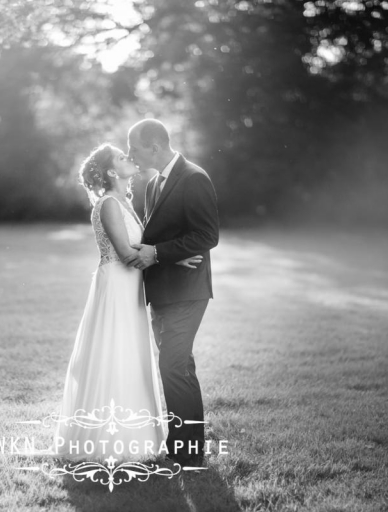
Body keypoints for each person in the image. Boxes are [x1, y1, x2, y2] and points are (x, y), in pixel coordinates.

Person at [52, 143, 203, 463]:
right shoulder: (108, 203)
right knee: (115, 355)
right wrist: (173, 259)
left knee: (131, 356)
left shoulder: (127, 201)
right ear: (110, 172)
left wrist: (169, 253)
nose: (129, 158)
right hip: (117, 287)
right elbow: (126, 255)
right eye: (121, 157)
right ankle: (107, 440)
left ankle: (136, 436)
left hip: (132, 289)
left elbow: (144, 248)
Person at [123, 119, 219, 467]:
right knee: (178, 367)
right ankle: (182, 448)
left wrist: (162, 253)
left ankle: (189, 456)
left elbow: (207, 236)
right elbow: (156, 239)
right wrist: (160, 252)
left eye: (134, 147)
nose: (130, 153)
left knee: (173, 366)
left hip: (188, 292)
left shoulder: (194, 178)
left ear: (154, 146)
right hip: (162, 290)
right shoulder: (152, 185)